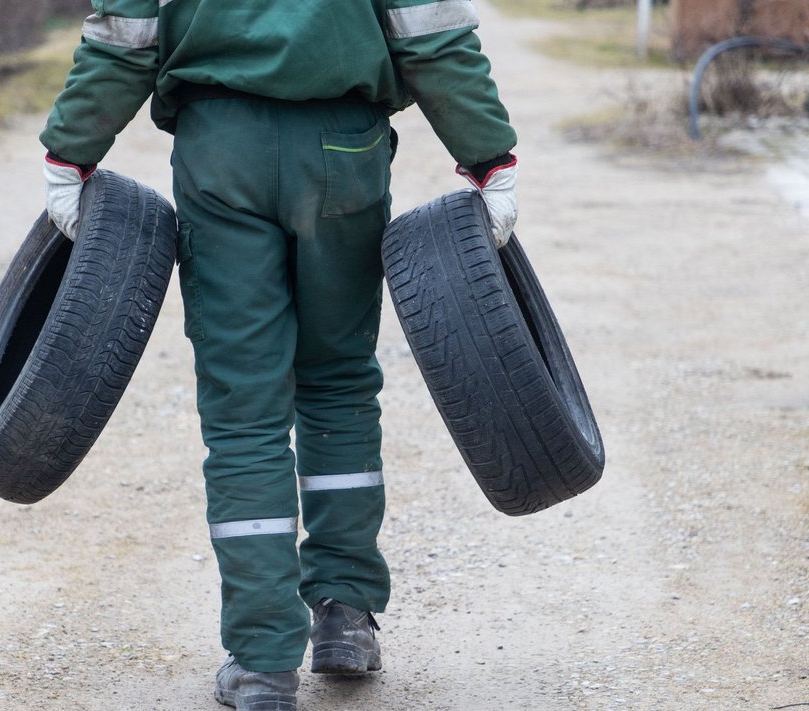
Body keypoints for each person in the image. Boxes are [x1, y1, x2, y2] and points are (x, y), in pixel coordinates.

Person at [39, 1, 518, 709]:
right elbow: (429, 28)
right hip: (343, 148)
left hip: (220, 150)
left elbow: (127, 33)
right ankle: (345, 615)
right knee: (339, 381)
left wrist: (70, 151)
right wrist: (489, 155)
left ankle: (262, 660)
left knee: (243, 407)